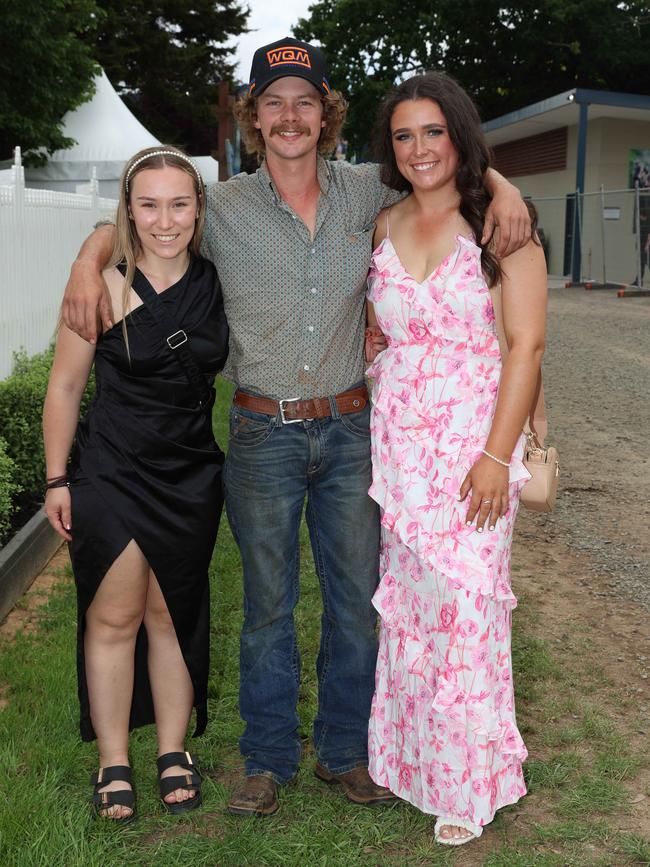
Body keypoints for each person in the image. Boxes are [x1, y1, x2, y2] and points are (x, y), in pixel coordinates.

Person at [59, 38, 532, 818]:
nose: (289, 116)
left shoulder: (364, 192)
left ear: (326, 115)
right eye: (272, 102)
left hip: (352, 431)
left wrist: (503, 183)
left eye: (304, 102)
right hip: (261, 435)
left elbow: (444, 169)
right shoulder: (223, 206)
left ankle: (346, 752)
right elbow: (147, 223)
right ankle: (267, 757)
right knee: (267, 606)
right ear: (253, 116)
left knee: (355, 600)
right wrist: (86, 256)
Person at [365, 72, 547, 845]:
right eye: (404, 135)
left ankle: (468, 784)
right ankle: (414, 762)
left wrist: (497, 457)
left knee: (469, 612)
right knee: (413, 614)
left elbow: (528, 345)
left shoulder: (502, 224)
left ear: (460, 134)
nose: (419, 149)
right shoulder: (383, 223)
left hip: (475, 448)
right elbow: (382, 330)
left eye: (433, 131)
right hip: (399, 453)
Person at [43, 146, 229, 822]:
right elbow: (64, 387)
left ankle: (173, 749)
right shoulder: (102, 286)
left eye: (179, 203)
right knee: (115, 614)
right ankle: (114, 759)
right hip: (111, 471)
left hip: (190, 474)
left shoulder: (216, 280)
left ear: (199, 208)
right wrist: (57, 477)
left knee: (172, 613)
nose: (165, 219)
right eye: (148, 204)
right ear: (127, 210)